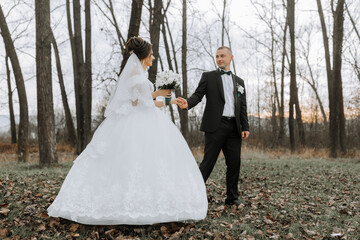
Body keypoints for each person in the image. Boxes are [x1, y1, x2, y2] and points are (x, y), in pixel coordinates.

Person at [47, 37, 208, 225]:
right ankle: (136, 205)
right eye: (151, 55)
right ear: (144, 57)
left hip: (134, 119)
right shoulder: (138, 77)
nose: (153, 58)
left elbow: (139, 101)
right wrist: (162, 97)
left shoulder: (135, 74)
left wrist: (169, 99)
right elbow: (144, 104)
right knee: (141, 161)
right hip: (139, 123)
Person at [178, 46, 250, 206]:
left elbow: (242, 106)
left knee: (234, 163)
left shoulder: (240, 82)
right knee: (208, 163)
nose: (219, 59)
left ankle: (232, 199)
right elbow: (198, 94)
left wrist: (245, 126)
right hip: (215, 126)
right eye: (217, 56)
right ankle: (190, 196)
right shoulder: (208, 77)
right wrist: (187, 103)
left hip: (234, 128)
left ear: (231, 58)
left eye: (223, 56)